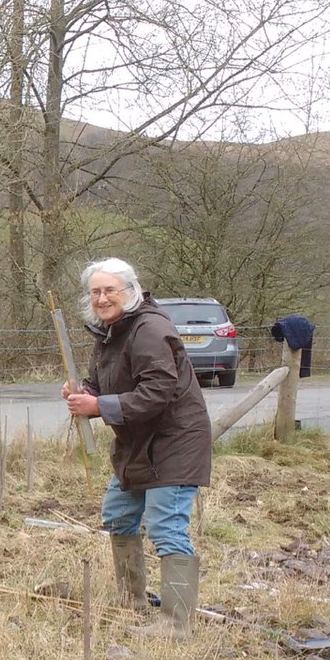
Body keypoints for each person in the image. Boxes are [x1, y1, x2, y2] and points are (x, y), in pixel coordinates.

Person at [63, 258, 212, 639]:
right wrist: (86, 394)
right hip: (136, 444)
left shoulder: (149, 330)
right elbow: (105, 383)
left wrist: (99, 407)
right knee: (118, 514)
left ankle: (177, 626)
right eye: (95, 291)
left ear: (130, 291)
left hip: (173, 443)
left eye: (109, 290)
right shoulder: (111, 331)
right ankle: (132, 602)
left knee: (166, 527)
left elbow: (157, 391)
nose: (101, 298)